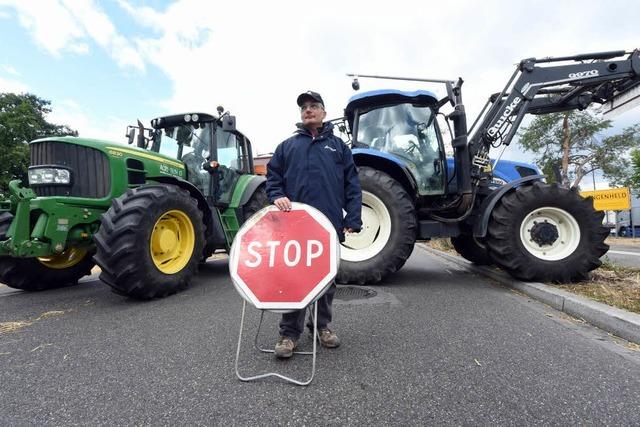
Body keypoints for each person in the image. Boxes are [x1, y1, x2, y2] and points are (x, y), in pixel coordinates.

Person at [266, 90, 362, 359]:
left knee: (326, 280)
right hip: (294, 227)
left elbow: (352, 184)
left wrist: (352, 218)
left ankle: (321, 327)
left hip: (327, 225)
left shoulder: (339, 147)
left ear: (323, 113)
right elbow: (273, 178)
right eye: (304, 107)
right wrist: (277, 195)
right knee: (293, 279)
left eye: (313, 106)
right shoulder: (287, 147)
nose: (308, 110)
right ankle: (289, 334)